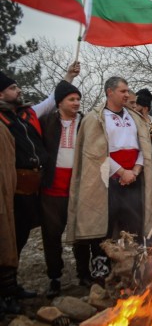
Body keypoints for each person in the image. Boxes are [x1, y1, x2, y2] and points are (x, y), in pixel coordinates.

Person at [66, 77, 152, 282]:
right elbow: (94, 154)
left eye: (127, 91)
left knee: (133, 227)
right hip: (106, 183)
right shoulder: (95, 118)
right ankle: (102, 274)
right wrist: (120, 172)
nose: (127, 95)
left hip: (133, 180)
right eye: (123, 91)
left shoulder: (135, 117)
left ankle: (133, 271)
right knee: (103, 230)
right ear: (109, 92)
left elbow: (144, 148)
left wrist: (135, 170)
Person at [0, 64, 79, 300]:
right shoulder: (2, 120)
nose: (19, 90)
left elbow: (52, 99)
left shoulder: (27, 114)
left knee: (20, 237)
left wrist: (69, 76)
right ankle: (5, 293)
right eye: (14, 88)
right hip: (9, 186)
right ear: (1, 93)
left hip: (31, 188)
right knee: (6, 238)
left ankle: (10, 287)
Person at [39, 81, 91, 298]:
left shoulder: (86, 122)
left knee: (81, 234)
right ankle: (55, 277)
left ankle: (84, 272)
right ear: (59, 102)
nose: (76, 103)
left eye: (78, 99)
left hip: (78, 188)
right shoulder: (46, 121)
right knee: (51, 235)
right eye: (71, 99)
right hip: (52, 188)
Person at [0, 122, 19, 317]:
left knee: (7, 245)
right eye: (12, 87)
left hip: (6, 193)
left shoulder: (5, 124)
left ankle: (9, 294)